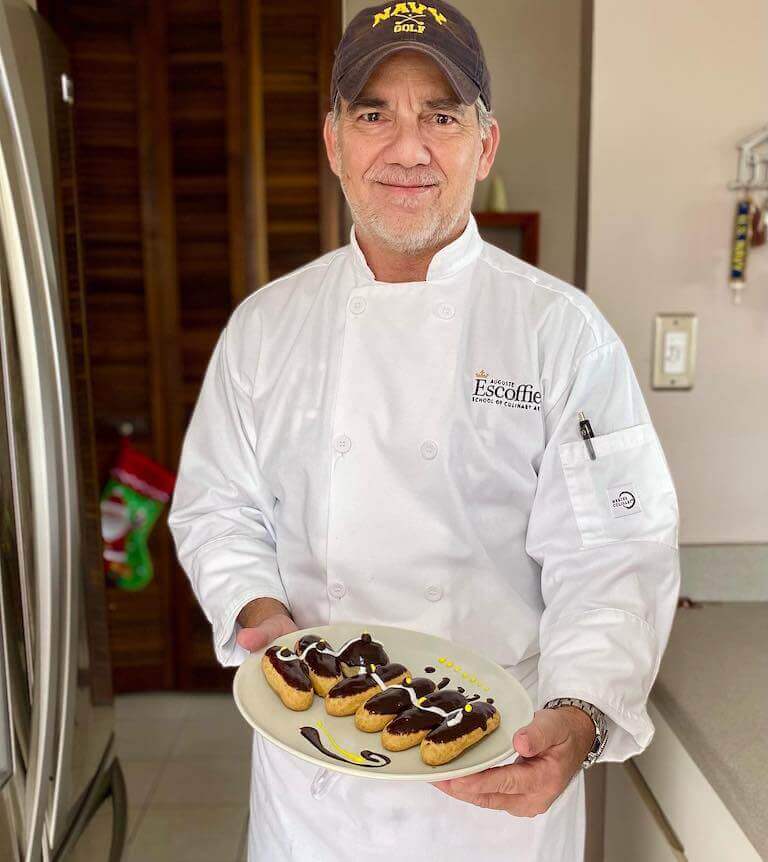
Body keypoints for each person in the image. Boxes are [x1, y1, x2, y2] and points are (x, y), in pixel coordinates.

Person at [167, 3, 681, 860]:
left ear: (484, 145)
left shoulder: (561, 333)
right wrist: (262, 615)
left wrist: (582, 712)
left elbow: (614, 555)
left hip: (494, 789)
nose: (408, 148)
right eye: (375, 113)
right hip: (314, 786)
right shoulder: (265, 328)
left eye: (440, 115)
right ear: (334, 142)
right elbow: (217, 510)